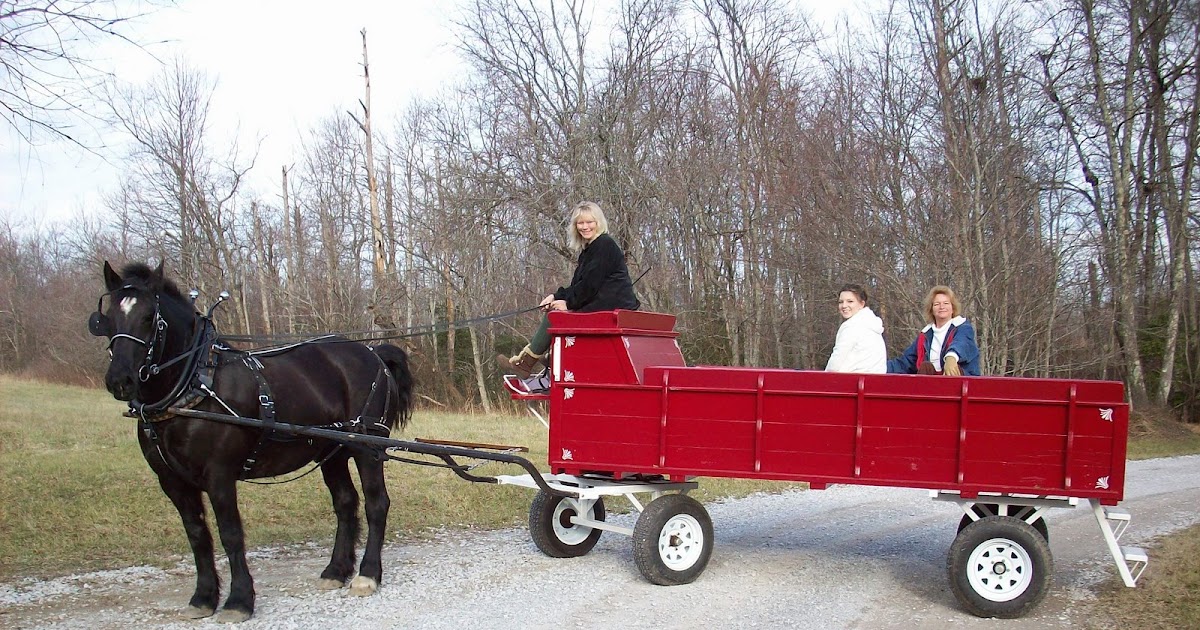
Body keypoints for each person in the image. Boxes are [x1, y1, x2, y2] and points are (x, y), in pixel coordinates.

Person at [498, 201, 640, 389]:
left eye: (590, 222)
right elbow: (579, 285)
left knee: (555, 318)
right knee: (557, 311)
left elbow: (590, 285)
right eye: (580, 223)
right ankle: (553, 361)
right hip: (602, 304)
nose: (585, 227)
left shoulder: (604, 245)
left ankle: (527, 363)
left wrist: (568, 304)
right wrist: (556, 296)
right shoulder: (590, 250)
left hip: (610, 307)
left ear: (599, 222)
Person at [887, 285, 980, 376]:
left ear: (953, 308)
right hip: (931, 384)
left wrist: (951, 357)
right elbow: (905, 363)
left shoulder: (963, 327)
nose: (941, 307)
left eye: (946, 303)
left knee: (952, 371)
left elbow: (962, 343)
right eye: (937, 304)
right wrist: (879, 366)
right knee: (925, 367)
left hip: (958, 382)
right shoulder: (925, 335)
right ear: (931, 309)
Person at [824, 284, 887, 373]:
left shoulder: (852, 326)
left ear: (862, 304)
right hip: (874, 382)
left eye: (850, 301)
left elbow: (836, 361)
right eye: (841, 302)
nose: (844, 305)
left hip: (853, 383)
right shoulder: (872, 325)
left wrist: (823, 380)